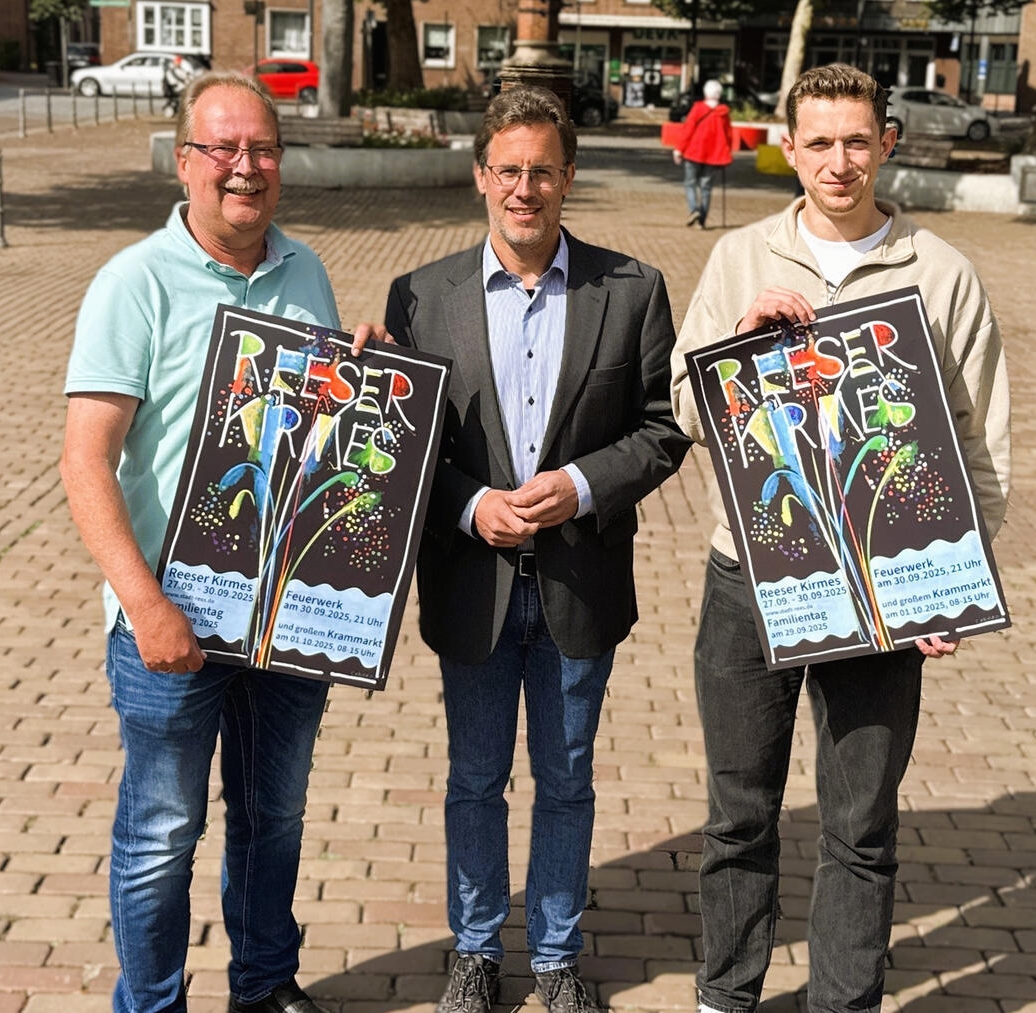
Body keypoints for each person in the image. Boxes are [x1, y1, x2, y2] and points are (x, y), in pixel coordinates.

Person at [669, 64, 1010, 1013]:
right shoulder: (740, 256)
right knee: (740, 812)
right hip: (753, 574)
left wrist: (952, 581)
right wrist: (739, 342)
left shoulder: (941, 272)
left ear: (885, 144)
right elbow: (685, 406)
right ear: (789, 146)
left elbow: (981, 444)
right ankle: (725, 994)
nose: (839, 161)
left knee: (860, 823)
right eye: (819, 142)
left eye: (857, 141)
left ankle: (843, 1001)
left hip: (885, 586)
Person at [60, 71, 387, 1013]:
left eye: (263, 151)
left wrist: (363, 372)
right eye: (224, 151)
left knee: (272, 818)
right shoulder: (133, 282)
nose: (246, 169)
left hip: (286, 614)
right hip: (172, 621)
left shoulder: (307, 272)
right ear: (185, 160)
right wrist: (145, 602)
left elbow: (322, 436)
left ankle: (263, 986)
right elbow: (86, 463)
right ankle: (151, 1001)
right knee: (162, 832)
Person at [385, 86, 690, 1013]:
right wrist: (470, 503)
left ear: (569, 178)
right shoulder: (420, 295)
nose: (526, 188)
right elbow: (398, 452)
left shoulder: (631, 288)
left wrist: (584, 484)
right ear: (481, 176)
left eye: (543, 171)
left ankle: (556, 956)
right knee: (475, 779)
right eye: (509, 170)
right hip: (472, 582)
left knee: (566, 780)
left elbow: (661, 428)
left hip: (579, 581)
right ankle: (475, 951)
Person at [672, 80, 734, 228]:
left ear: (706, 93)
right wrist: (726, 153)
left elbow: (688, 129)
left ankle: (694, 209)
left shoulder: (698, 108)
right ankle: (702, 220)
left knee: (690, 183)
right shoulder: (723, 112)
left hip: (694, 152)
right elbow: (729, 135)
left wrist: (679, 149)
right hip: (714, 156)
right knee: (706, 187)